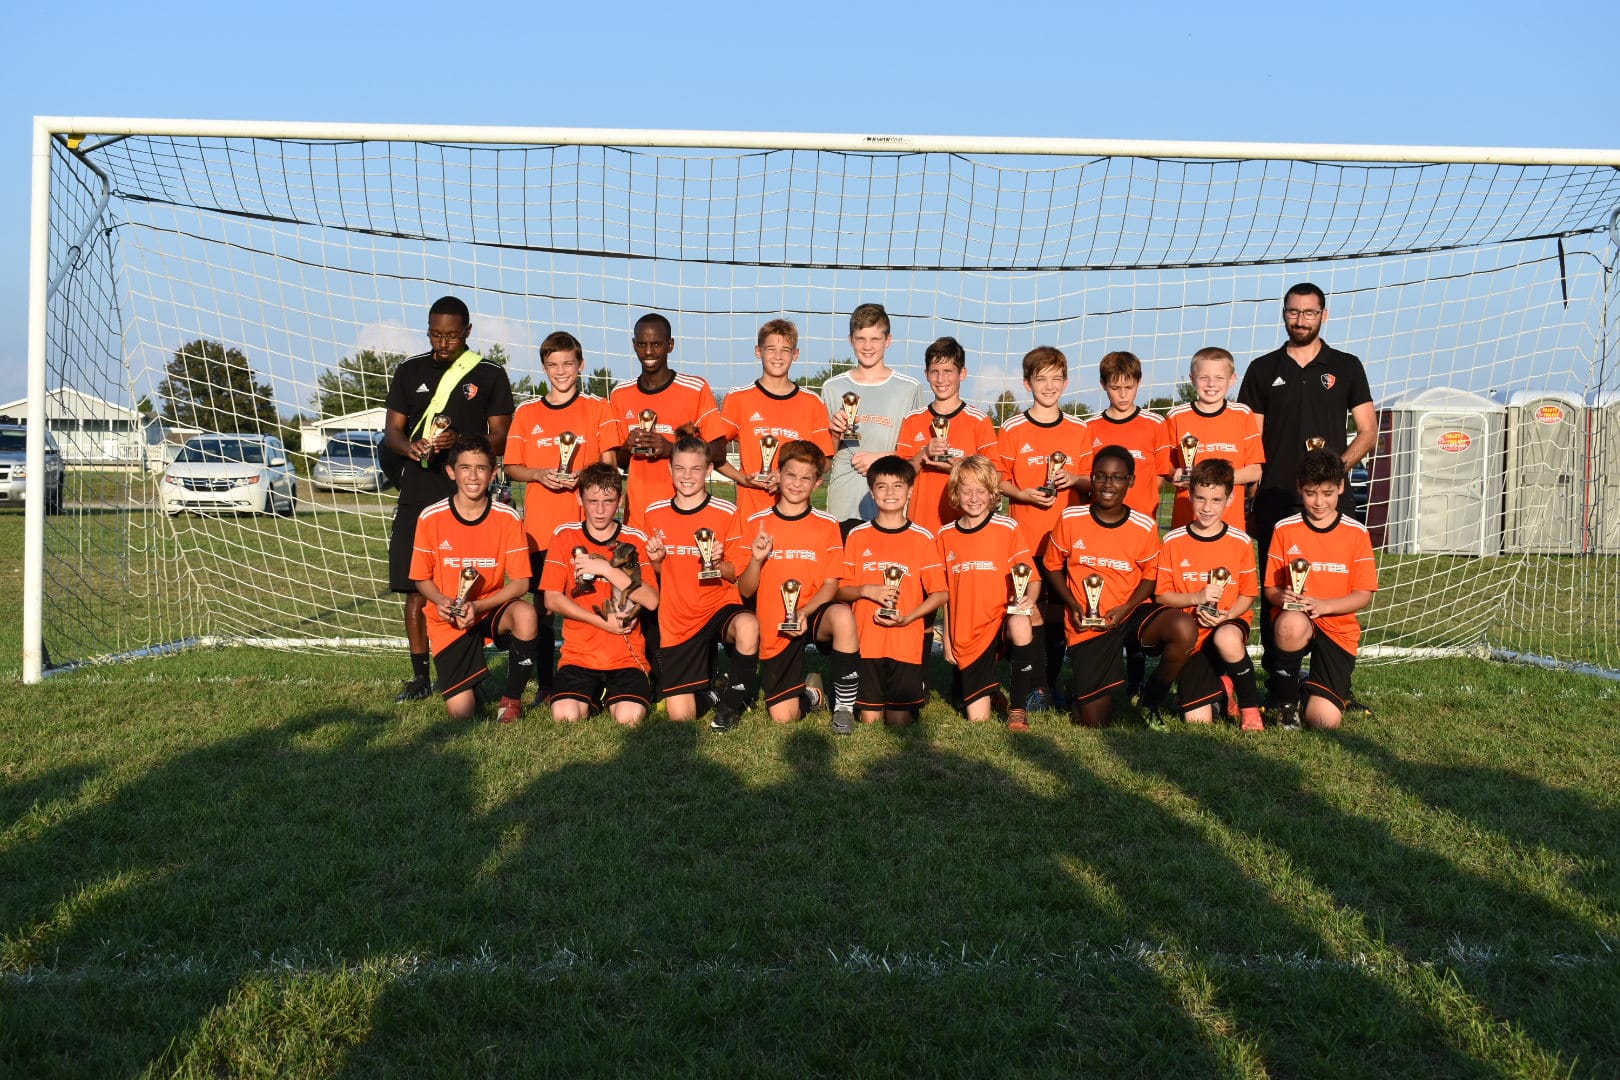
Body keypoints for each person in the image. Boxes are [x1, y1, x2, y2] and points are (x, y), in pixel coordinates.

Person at [1238, 282, 1376, 703]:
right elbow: (1252, 442)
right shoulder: (1262, 368)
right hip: (1276, 499)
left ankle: (1333, 683)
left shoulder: (1347, 365)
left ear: (1324, 315)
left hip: (1332, 502)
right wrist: (1250, 500)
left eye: (1309, 312)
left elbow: (1368, 431)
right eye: (1293, 312)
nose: (1301, 320)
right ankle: (1280, 685)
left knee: (1334, 587)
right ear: (1284, 313)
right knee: (1279, 595)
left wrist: (1333, 474)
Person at [384, 295, 515, 703]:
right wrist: (411, 448)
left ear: (468, 332)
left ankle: (473, 663)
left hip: (468, 492)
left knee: (475, 580)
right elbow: (392, 432)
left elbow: (501, 437)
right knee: (415, 587)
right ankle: (421, 677)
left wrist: (461, 441)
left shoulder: (489, 374)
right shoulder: (409, 370)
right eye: (435, 335)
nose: (442, 343)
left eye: (452, 336)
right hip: (418, 491)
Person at [501, 330, 618, 705]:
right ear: (544, 367)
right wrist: (539, 474)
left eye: (568, 363)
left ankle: (602, 679)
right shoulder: (527, 412)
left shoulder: (598, 408)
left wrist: (583, 477)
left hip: (589, 528)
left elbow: (610, 466)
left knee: (594, 600)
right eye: (553, 364)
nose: (561, 371)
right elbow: (511, 466)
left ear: (581, 365)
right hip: (541, 531)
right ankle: (547, 685)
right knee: (545, 609)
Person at [1040, 445, 1193, 728]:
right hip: (1089, 622)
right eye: (1100, 476)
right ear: (1092, 478)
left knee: (1183, 628)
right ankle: (1079, 691)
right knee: (1095, 723)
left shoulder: (1144, 525)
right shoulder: (1071, 518)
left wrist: (1126, 608)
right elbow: (1051, 566)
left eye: (1117, 477)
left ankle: (1150, 700)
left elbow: (1150, 576)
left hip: (1130, 612)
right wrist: (1072, 604)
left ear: (1130, 481)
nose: (1108, 485)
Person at [725, 439, 861, 731]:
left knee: (843, 615)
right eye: (791, 475)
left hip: (813, 612)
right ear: (778, 474)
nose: (797, 484)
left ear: (817, 483)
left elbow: (830, 584)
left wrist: (805, 612)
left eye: (806, 478)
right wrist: (757, 560)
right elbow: (746, 590)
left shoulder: (827, 524)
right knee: (783, 716)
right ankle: (812, 695)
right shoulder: (756, 522)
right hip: (776, 622)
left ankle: (844, 708)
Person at [408, 434, 538, 723]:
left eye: (481, 468)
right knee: (462, 715)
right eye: (465, 468)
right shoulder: (430, 517)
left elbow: (521, 583)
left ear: (493, 474)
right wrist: (442, 601)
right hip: (449, 618)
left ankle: (512, 701)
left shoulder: (508, 517)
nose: (473, 476)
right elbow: (420, 578)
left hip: (488, 608)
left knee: (526, 614)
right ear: (451, 472)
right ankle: (471, 684)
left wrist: (478, 606)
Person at [643, 434, 761, 732]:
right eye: (680, 468)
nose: (687, 476)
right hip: (678, 619)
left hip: (717, 606)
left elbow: (735, 573)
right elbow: (657, 572)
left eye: (695, 469)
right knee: (680, 716)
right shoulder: (654, 513)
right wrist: (656, 560)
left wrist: (718, 564)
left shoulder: (727, 512)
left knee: (748, 625)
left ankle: (731, 705)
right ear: (669, 469)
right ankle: (715, 692)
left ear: (708, 470)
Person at [996, 345, 1093, 701]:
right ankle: (1034, 683)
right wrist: (1023, 495)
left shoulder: (1079, 429)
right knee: (1028, 607)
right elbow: (999, 480)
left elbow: (1092, 481)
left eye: (1056, 378)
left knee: (1059, 610)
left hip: (1066, 540)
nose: (1049, 386)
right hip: (1026, 537)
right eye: (1041, 379)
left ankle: (1050, 681)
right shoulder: (1012, 428)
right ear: (1028, 383)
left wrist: (1074, 479)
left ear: (1066, 382)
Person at [1262, 448, 1378, 731]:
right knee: (1290, 623)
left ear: (1340, 487)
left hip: (1337, 628)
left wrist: (1324, 605)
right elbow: (1270, 590)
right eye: (1311, 493)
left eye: (1327, 493)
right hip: (1298, 620)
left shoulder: (1356, 533)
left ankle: (1304, 685)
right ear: (1299, 488)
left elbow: (1363, 594)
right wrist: (1282, 597)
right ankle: (1287, 707)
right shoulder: (1285, 529)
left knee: (1324, 722)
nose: (1319, 502)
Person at [540, 462, 660, 726]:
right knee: (565, 716)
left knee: (629, 719)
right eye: (592, 501)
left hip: (626, 657)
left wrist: (606, 569)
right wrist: (602, 622)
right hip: (579, 655)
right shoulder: (564, 536)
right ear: (579, 498)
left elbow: (651, 601)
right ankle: (593, 695)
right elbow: (552, 599)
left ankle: (612, 695)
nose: (600, 509)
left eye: (608, 501)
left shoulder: (635, 539)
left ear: (620, 500)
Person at [935, 455, 1049, 730]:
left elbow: (1033, 578)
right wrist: (948, 639)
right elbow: (945, 594)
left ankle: (1018, 708)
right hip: (967, 631)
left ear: (992, 494)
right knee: (978, 719)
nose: (974, 498)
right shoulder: (945, 536)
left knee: (1023, 620)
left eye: (981, 491)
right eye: (966, 491)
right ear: (955, 494)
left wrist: (1029, 600)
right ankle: (992, 689)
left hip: (1001, 620)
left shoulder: (1007, 528)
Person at [1085, 348, 1173, 702]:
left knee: (1136, 603)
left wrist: (1141, 510)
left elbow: (1162, 475)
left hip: (1139, 533)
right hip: (1101, 532)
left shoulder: (1155, 424)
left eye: (1129, 387)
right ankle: (1100, 675)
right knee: (1101, 598)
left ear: (1139, 384)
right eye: (1115, 387)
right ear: (1103, 385)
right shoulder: (1091, 427)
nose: (1122, 394)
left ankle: (1136, 682)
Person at [838, 456, 949, 726]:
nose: (890, 492)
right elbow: (841, 591)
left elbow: (940, 593)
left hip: (905, 642)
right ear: (871, 491)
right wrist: (867, 590)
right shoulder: (857, 535)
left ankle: (913, 696)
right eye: (882, 486)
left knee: (898, 721)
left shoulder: (923, 538)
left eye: (898, 486)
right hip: (866, 642)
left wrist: (909, 618)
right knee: (871, 720)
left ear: (910, 491)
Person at [1154, 459, 1264, 731]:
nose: (1207, 507)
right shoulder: (1173, 541)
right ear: (1190, 495)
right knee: (1198, 721)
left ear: (1229, 500)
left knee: (1226, 637)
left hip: (1228, 623)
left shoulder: (1240, 542)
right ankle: (1222, 689)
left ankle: (1250, 710)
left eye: (1216, 500)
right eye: (1201, 498)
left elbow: (1248, 594)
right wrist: (1196, 598)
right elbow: (1162, 596)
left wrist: (1228, 615)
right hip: (1191, 633)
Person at [609, 313, 726, 534]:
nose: (649, 351)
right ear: (634, 345)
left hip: (687, 515)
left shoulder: (695, 389)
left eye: (656, 344)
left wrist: (671, 449)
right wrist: (626, 446)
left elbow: (719, 452)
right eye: (642, 344)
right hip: (638, 519)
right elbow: (620, 462)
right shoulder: (620, 394)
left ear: (670, 345)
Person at [712, 318, 834, 521]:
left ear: (796, 354)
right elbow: (712, 451)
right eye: (771, 349)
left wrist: (788, 475)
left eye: (785, 350)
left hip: (796, 516)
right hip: (751, 514)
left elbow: (826, 460)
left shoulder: (812, 402)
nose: (778, 356)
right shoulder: (738, 398)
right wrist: (743, 479)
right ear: (758, 351)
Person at [822, 303, 925, 535]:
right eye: (861, 339)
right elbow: (825, 456)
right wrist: (835, 435)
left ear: (888, 340)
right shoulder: (832, 387)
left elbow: (919, 452)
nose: (867, 346)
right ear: (851, 340)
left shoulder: (909, 388)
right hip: (844, 501)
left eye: (875, 339)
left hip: (891, 502)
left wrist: (883, 458)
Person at [896, 336, 999, 534]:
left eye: (948, 371)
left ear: (962, 373)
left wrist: (958, 467)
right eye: (934, 372)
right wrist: (924, 453)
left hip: (966, 527)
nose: (941, 379)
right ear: (926, 374)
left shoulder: (979, 420)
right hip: (922, 527)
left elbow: (996, 474)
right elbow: (900, 476)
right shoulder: (912, 419)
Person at [1164, 347, 1263, 531]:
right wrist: (1175, 474)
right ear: (1192, 379)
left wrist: (1212, 481)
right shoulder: (1176, 416)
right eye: (1204, 378)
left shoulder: (1243, 414)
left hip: (1230, 524)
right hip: (1186, 521)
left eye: (1219, 378)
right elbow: (1166, 467)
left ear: (1232, 380)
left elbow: (1255, 471)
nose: (1211, 384)